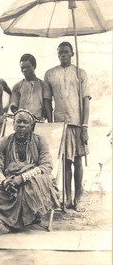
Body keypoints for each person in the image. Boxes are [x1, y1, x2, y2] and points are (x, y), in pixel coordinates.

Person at [0, 109, 60, 236]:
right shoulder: (4, 142)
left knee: (34, 182)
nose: (21, 125)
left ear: (31, 126)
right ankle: (3, 222)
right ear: (14, 124)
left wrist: (22, 178)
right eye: (18, 122)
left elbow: (46, 166)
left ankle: (3, 223)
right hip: (8, 186)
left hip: (28, 184)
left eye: (25, 122)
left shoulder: (40, 141)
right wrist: (3, 181)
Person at [43, 41, 91, 212]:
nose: (63, 55)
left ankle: (78, 198)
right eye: (60, 52)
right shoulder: (50, 74)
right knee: (65, 162)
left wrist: (84, 126)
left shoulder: (81, 73)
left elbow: (86, 100)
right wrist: (51, 123)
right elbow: (47, 100)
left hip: (77, 123)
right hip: (60, 123)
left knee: (78, 160)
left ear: (72, 53)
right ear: (57, 54)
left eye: (66, 52)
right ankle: (67, 198)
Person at [10, 54, 45, 119]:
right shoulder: (17, 86)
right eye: (22, 68)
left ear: (34, 66)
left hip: (38, 121)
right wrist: (20, 116)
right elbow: (13, 105)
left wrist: (42, 118)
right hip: (22, 122)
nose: (24, 70)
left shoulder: (43, 85)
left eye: (27, 67)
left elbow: (46, 105)